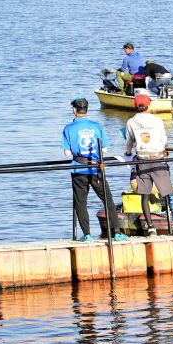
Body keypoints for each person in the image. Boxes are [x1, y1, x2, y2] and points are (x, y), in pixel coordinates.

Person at [61, 97, 120, 240]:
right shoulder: (97, 126)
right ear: (87, 109)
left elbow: (67, 153)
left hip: (78, 169)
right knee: (107, 200)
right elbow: (104, 149)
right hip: (96, 169)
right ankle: (118, 232)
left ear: (74, 110)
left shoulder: (68, 128)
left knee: (81, 202)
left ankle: (87, 234)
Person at [125, 93, 173, 231]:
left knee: (144, 195)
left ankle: (151, 227)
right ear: (148, 106)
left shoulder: (131, 122)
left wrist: (128, 153)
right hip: (157, 159)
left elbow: (129, 142)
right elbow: (163, 140)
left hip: (142, 161)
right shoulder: (157, 120)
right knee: (168, 192)